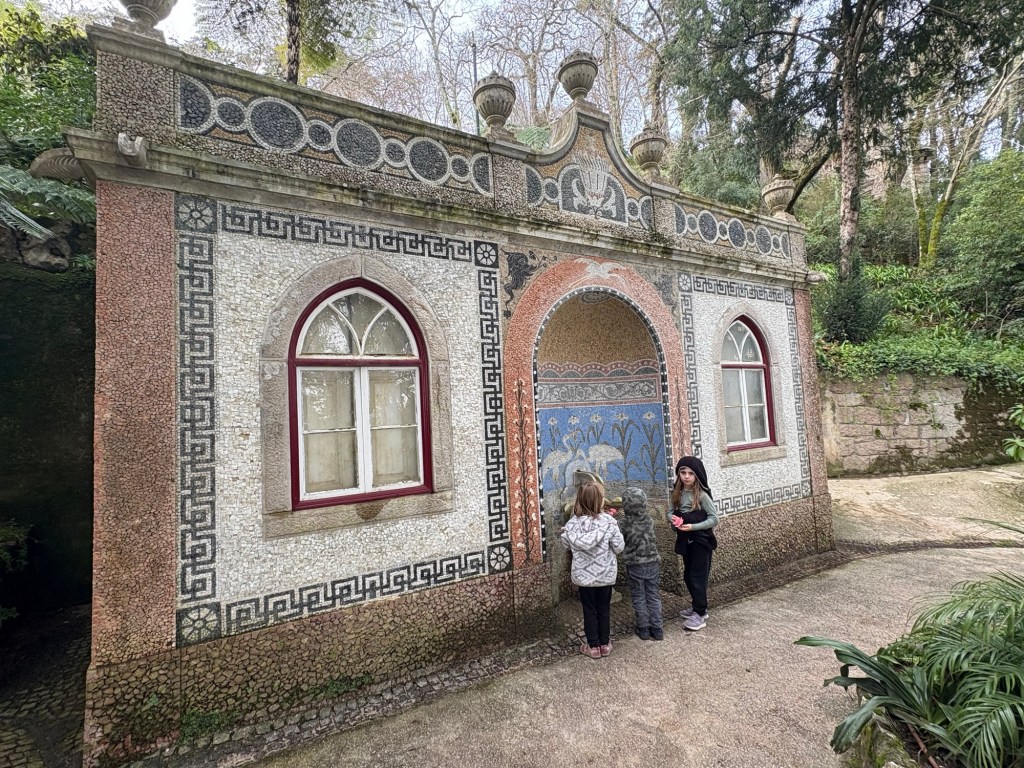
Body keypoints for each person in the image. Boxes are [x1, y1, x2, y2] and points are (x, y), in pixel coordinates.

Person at [560, 480, 625, 658]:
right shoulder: (609, 522)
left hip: (584, 576)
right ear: (601, 500)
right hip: (605, 575)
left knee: (589, 610)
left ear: (579, 500)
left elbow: (566, 544)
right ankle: (605, 644)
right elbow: (619, 547)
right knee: (604, 609)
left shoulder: (572, 524)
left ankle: (593, 646)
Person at [667, 456, 719, 631]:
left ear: (697, 475)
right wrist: (673, 519)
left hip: (701, 542)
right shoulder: (677, 494)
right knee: (688, 576)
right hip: (685, 541)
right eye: (683, 472)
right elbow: (669, 512)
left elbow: (714, 519)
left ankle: (700, 613)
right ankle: (697, 606)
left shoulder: (702, 496)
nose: (686, 476)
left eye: (690, 473)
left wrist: (693, 526)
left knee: (698, 577)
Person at [618, 486, 664, 641]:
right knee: (653, 595)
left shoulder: (623, 523)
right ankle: (657, 629)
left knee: (638, 596)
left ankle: (643, 628)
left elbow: (619, 538)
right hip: (653, 562)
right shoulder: (650, 521)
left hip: (634, 565)